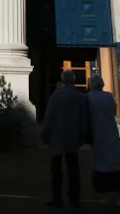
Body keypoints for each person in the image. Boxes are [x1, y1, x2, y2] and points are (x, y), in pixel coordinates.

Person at [41, 70, 87, 209]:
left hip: (57, 136)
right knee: (73, 169)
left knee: (56, 169)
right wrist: (83, 135)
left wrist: (45, 133)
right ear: (74, 80)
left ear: (63, 80)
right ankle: (75, 199)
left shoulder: (56, 96)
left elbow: (49, 115)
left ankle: (57, 198)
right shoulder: (80, 96)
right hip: (73, 137)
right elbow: (84, 119)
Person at [86, 74, 120, 209]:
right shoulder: (109, 96)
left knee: (100, 164)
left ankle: (103, 196)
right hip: (110, 133)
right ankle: (115, 196)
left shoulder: (87, 98)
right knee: (115, 165)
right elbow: (114, 111)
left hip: (97, 134)